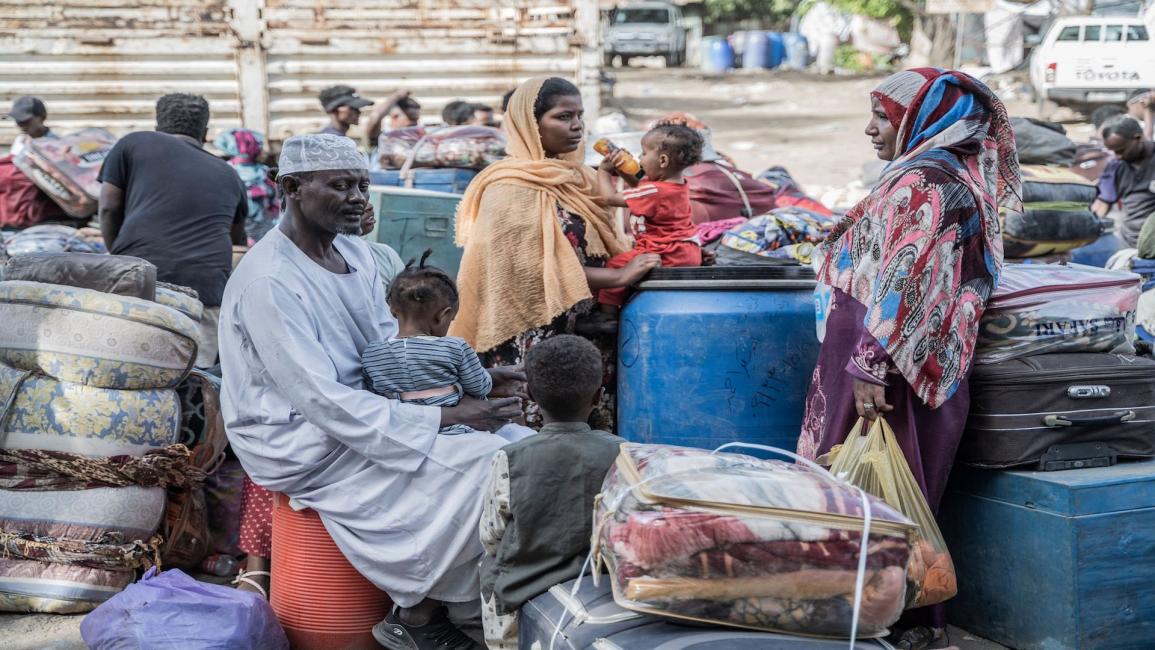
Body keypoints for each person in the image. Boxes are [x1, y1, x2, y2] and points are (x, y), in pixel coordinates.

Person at [218, 133, 526, 650]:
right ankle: (419, 614)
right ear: (292, 188)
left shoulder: (357, 256)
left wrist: (461, 383)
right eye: (341, 186)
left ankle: (444, 606)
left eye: (362, 184)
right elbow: (318, 399)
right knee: (495, 467)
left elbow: (386, 350)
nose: (359, 197)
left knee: (523, 446)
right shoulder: (268, 281)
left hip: (373, 413)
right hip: (299, 440)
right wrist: (445, 419)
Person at [796, 68, 1021, 650]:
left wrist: (870, 363)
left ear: (922, 120)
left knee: (874, 493)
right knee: (893, 490)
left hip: (887, 362)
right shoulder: (954, 173)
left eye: (883, 119)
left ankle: (887, 618)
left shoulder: (925, 179)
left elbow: (906, 276)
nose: (870, 130)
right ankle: (893, 616)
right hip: (920, 359)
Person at [450, 77, 661, 431]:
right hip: (534, 344)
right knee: (538, 442)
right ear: (532, 125)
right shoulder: (509, 187)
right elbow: (528, 272)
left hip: (588, 343)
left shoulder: (581, 178)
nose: (577, 125)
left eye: (579, 115)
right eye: (563, 117)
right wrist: (618, 277)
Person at [478, 334, 622, 650]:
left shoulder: (511, 457)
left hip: (518, 598)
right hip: (599, 595)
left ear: (529, 394)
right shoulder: (624, 454)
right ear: (598, 396)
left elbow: (490, 536)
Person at [97, 93, 248, 369]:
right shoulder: (229, 174)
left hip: (140, 280)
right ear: (204, 133)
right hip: (206, 293)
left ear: (158, 127)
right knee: (194, 381)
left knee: (128, 372)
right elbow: (236, 239)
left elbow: (108, 208)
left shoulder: (134, 143)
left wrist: (117, 255)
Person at [362, 252, 494, 434]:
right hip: (457, 433)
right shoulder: (455, 348)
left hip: (402, 433)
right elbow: (480, 387)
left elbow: (374, 393)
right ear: (442, 316)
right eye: (452, 320)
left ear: (392, 310)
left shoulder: (372, 354)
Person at [596, 123, 704, 313]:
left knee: (615, 266)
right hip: (682, 249)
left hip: (666, 252)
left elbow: (610, 198)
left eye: (644, 154)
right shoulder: (672, 185)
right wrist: (622, 167)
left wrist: (603, 171)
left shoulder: (655, 190)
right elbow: (639, 186)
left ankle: (607, 317)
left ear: (662, 160)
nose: (639, 158)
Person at [1097, 115, 1155, 258]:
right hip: (1129, 245)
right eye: (1113, 151)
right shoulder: (1115, 167)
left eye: (1121, 150)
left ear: (1138, 138)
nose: (1117, 156)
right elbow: (1102, 204)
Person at [214, 127, 280, 242]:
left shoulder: (224, 170)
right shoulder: (264, 172)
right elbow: (275, 204)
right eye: (258, 144)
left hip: (235, 234)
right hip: (262, 234)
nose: (262, 149)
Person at [319, 85, 409, 143]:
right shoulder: (329, 141)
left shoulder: (341, 138)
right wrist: (398, 96)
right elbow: (376, 117)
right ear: (336, 109)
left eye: (358, 108)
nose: (358, 112)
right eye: (353, 108)